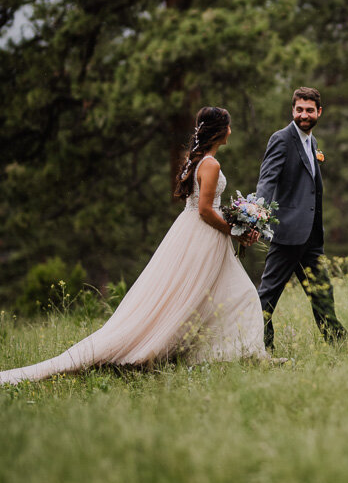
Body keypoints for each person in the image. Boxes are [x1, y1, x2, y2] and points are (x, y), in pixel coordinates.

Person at [0, 106, 266, 385]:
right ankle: (232, 352)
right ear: (220, 131)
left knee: (227, 292)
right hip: (203, 235)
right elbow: (205, 209)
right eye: (228, 126)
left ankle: (233, 353)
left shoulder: (201, 161)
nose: (231, 131)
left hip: (196, 233)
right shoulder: (211, 164)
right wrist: (235, 231)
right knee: (230, 293)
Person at [256, 87, 348, 350]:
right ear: (292, 110)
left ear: (319, 112)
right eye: (299, 110)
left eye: (309, 110)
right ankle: (259, 346)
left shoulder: (312, 141)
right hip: (287, 232)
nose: (304, 115)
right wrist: (258, 214)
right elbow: (267, 180)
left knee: (322, 292)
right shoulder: (281, 139)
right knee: (268, 294)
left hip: (311, 236)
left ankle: (339, 346)